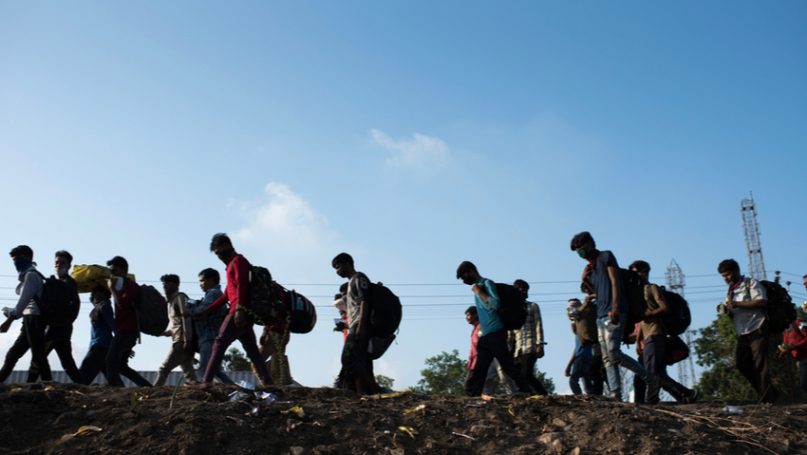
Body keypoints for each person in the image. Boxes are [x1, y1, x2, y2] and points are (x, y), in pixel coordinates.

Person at [570, 231, 658, 401]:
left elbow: (615, 281)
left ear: (589, 244)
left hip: (614, 311)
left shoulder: (605, 256)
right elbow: (597, 292)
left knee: (614, 352)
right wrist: (585, 279)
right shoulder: (591, 269)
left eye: (580, 248)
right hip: (600, 316)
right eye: (577, 251)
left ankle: (650, 379)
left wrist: (616, 307)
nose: (580, 253)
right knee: (607, 359)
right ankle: (616, 394)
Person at [193, 233, 271, 387]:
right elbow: (227, 294)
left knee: (219, 343)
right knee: (253, 351)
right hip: (242, 313)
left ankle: (206, 381)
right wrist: (206, 311)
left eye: (219, 251)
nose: (219, 255)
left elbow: (243, 284)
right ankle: (269, 383)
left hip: (238, 312)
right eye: (216, 253)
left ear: (227, 245)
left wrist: (239, 310)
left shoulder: (238, 262)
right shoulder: (230, 266)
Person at [456, 261, 531, 396]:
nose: (463, 280)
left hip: (496, 332)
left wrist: (479, 292)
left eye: (464, 276)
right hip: (486, 335)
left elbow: (495, 304)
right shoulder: (478, 287)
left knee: (507, 365)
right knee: (481, 368)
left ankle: (526, 389)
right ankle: (474, 395)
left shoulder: (487, 283)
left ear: (471, 271)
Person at [630, 260, 696, 404]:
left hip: (656, 335)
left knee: (652, 373)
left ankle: (654, 400)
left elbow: (664, 308)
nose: (634, 276)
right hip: (647, 338)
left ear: (644, 272)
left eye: (636, 273)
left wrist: (649, 314)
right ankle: (684, 395)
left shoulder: (651, 288)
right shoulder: (638, 293)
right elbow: (641, 323)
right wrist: (637, 341)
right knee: (649, 374)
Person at [718, 258, 778, 403]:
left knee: (760, 364)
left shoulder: (751, 283)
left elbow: (761, 301)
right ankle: (768, 393)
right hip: (742, 331)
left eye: (727, 275)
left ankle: (768, 399)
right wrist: (728, 309)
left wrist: (738, 304)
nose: (726, 279)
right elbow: (734, 308)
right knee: (742, 364)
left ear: (736, 271)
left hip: (757, 327)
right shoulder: (731, 290)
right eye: (723, 276)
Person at [28, 250, 82, 383]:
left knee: (38, 357)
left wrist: (63, 321)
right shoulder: (53, 283)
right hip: (57, 327)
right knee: (67, 362)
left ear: (69, 266)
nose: (59, 265)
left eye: (62, 263)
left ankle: (30, 383)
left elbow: (74, 306)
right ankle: (82, 384)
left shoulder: (70, 284)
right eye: (57, 262)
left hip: (58, 329)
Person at [0, 245, 52, 382]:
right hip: (29, 319)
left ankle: (48, 382)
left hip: (34, 319)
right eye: (14, 260)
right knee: (13, 354)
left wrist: (9, 321)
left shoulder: (31, 275)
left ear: (28, 258)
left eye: (17, 258)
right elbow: (23, 306)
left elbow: (23, 303)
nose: (15, 262)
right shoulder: (29, 275)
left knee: (38, 354)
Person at [332, 252, 381, 395]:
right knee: (358, 361)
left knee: (348, 358)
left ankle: (374, 389)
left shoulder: (359, 278)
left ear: (347, 263)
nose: (337, 271)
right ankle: (362, 393)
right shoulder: (350, 283)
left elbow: (365, 301)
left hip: (360, 326)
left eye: (338, 267)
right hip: (354, 325)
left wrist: (361, 326)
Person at [105, 256, 151, 387]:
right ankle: (147, 387)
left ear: (123, 270)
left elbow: (123, 304)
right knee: (121, 366)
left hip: (128, 331)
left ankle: (116, 390)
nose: (112, 275)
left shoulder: (131, 287)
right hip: (124, 330)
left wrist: (112, 290)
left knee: (110, 361)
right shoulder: (123, 287)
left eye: (114, 271)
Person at [188, 268, 233, 384]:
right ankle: (233, 389)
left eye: (202, 281)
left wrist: (191, 308)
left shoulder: (214, 293)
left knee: (204, 370)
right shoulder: (212, 294)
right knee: (214, 370)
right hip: (210, 336)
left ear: (211, 280)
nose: (200, 284)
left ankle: (203, 392)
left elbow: (203, 311)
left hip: (209, 336)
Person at [154, 274, 197, 386]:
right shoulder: (170, 303)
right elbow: (176, 326)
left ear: (176, 284)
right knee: (189, 374)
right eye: (164, 284)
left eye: (168, 283)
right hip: (180, 340)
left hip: (181, 342)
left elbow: (186, 319)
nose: (165, 286)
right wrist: (164, 333)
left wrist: (187, 340)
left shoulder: (180, 298)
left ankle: (152, 392)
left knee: (163, 369)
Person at [511, 279, 548, 395]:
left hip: (530, 345)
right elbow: (511, 331)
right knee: (520, 374)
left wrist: (540, 344)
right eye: (522, 289)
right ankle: (536, 394)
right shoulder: (513, 309)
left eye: (526, 290)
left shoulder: (532, 306)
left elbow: (538, 325)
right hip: (518, 348)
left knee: (526, 373)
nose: (525, 293)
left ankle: (539, 394)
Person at [78, 286, 115, 384]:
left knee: (82, 377)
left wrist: (122, 345)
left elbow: (114, 326)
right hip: (102, 347)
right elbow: (92, 301)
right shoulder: (99, 307)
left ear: (102, 294)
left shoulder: (105, 307)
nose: (92, 295)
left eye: (94, 293)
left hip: (100, 347)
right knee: (113, 381)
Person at [565, 299, 593, 395]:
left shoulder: (583, 325)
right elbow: (577, 349)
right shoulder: (578, 327)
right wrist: (569, 365)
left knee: (573, 380)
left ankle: (579, 397)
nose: (570, 312)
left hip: (583, 357)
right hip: (584, 357)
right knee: (587, 380)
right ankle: (590, 396)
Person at [778, 315, 807, 397]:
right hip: (798, 359)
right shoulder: (786, 327)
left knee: (804, 383)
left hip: (805, 357)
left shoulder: (802, 322)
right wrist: (782, 352)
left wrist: (795, 346)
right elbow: (786, 342)